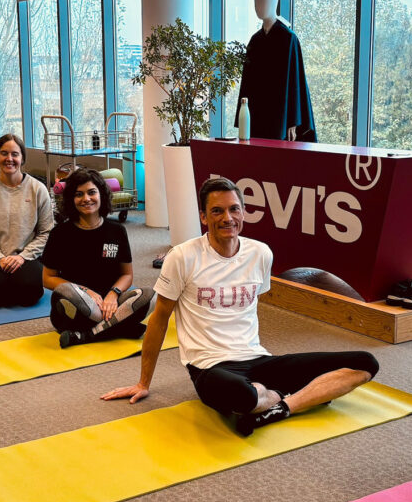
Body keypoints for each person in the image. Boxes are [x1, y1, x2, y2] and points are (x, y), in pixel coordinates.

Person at [101, 177, 379, 435]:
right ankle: (281, 396)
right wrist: (143, 383)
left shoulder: (260, 253)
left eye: (234, 209)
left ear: (243, 213)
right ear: (203, 216)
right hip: (210, 367)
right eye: (217, 211)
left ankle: (279, 407)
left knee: (365, 364)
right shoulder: (183, 257)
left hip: (259, 360)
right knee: (241, 395)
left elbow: (248, 311)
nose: (227, 218)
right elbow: (160, 319)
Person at [42, 168, 153, 348]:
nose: (86, 199)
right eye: (79, 194)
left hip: (110, 303)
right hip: (76, 305)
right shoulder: (59, 234)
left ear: (101, 195)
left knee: (149, 295)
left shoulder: (117, 231)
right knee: (68, 293)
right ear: (71, 199)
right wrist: (86, 291)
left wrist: (113, 295)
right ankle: (118, 326)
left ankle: (86, 335)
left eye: (92, 192)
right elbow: (48, 278)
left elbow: (127, 275)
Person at [0, 133, 53, 307]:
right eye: (4, 153)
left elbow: (46, 232)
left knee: (29, 294)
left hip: (27, 256)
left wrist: (23, 257)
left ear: (22, 158)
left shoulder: (38, 189)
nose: (9, 159)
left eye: (15, 154)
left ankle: (13, 283)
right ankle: (4, 283)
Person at [234, 0, 315, 141]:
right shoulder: (255, 40)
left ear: (273, 4)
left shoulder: (288, 38)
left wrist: (293, 120)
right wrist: (243, 117)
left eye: (263, 2)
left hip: (281, 114)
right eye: (256, 2)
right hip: (257, 111)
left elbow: (295, 81)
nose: (258, 7)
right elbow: (248, 82)